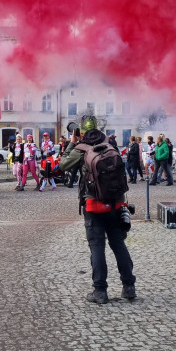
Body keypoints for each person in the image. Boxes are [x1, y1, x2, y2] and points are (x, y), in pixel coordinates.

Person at [59, 116, 136, 305]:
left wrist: (71, 143)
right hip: (116, 203)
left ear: (81, 132)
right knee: (119, 244)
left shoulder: (81, 149)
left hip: (93, 205)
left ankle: (100, 291)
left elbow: (62, 165)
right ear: (98, 128)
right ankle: (129, 287)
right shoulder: (110, 144)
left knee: (97, 247)